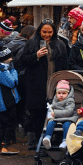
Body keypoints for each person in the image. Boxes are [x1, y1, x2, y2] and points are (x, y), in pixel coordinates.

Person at [16, 19, 68, 150]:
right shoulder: (32, 43)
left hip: (55, 82)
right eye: (44, 32)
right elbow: (22, 60)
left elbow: (65, 63)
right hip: (36, 84)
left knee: (55, 111)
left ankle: (53, 138)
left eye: (50, 32)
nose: (47, 35)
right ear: (39, 31)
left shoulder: (60, 44)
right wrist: (36, 55)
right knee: (37, 112)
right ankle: (37, 140)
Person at [0, 47, 20, 155]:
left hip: (3, 100)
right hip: (5, 100)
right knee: (8, 122)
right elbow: (12, 82)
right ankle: (5, 145)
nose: (11, 59)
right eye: (9, 57)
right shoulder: (1, 69)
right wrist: (13, 71)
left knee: (4, 122)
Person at [40, 81, 78, 150]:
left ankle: (65, 140)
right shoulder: (55, 100)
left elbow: (69, 111)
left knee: (67, 125)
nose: (61, 95)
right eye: (59, 93)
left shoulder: (70, 100)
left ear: (68, 93)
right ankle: (47, 138)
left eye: (64, 93)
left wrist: (56, 113)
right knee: (50, 123)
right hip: (57, 118)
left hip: (68, 117)